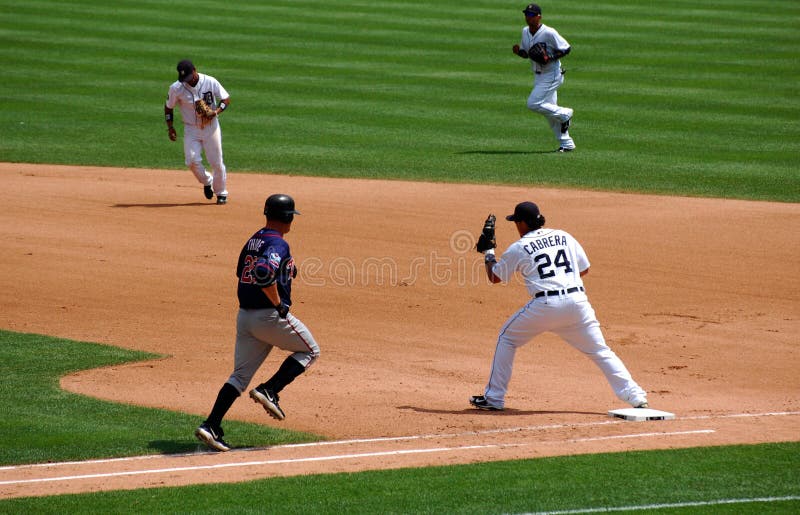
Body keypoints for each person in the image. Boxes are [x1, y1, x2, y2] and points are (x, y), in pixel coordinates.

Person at [470, 201, 648, 411]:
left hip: (546, 306)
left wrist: (489, 253)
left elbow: (495, 277)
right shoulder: (564, 236)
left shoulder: (519, 247)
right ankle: (636, 396)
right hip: (578, 304)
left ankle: (494, 398)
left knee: (507, 338)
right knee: (600, 350)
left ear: (523, 223)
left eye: (516, 222)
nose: (516, 226)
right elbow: (583, 270)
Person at [194, 194, 321, 451]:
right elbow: (263, 272)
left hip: (245, 318)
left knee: (239, 377)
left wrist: (286, 270)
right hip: (268, 316)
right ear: (286, 218)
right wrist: (278, 303)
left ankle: (211, 425)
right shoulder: (278, 243)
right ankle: (270, 389)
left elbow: (243, 272)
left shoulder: (254, 239)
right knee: (310, 351)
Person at [165, 59, 231, 204]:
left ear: (195, 70)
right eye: (185, 79)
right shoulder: (176, 88)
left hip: (211, 127)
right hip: (191, 129)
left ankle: (221, 193)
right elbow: (168, 107)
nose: (187, 81)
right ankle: (207, 181)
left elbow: (226, 99)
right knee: (191, 161)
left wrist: (216, 111)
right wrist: (170, 127)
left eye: (189, 77)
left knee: (216, 162)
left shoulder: (210, 81)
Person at [512, 4, 575, 152]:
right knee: (550, 115)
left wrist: (551, 56)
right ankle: (566, 144)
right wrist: (518, 52)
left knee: (533, 103)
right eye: (527, 14)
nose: (528, 18)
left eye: (532, 15)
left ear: (539, 16)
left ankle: (565, 113)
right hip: (538, 76)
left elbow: (566, 48)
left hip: (552, 75)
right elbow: (528, 53)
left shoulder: (549, 32)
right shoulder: (525, 31)